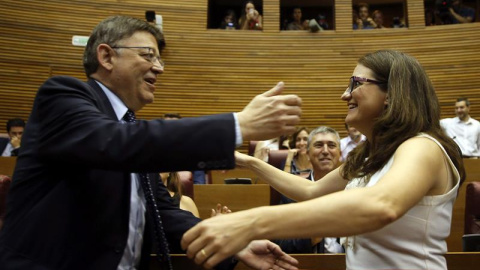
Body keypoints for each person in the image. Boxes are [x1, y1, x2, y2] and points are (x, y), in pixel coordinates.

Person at [0, 15, 302, 270]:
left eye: (159, 58)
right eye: (148, 55)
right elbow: (116, 143)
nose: (159, 67)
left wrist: (234, 244)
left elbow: (164, 214)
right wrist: (239, 124)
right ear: (106, 56)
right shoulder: (62, 97)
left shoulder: (131, 129)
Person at [181, 50, 466, 270]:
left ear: (391, 94)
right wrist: (248, 162)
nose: (344, 95)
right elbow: (311, 191)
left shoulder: (423, 147)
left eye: (355, 83)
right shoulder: (371, 155)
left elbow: (382, 205)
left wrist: (252, 223)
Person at [275, 126, 344, 254]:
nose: (325, 151)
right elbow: (278, 242)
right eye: (318, 145)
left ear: (340, 154)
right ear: (307, 154)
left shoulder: (354, 190)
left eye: (331, 145)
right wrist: (310, 239)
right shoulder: (291, 193)